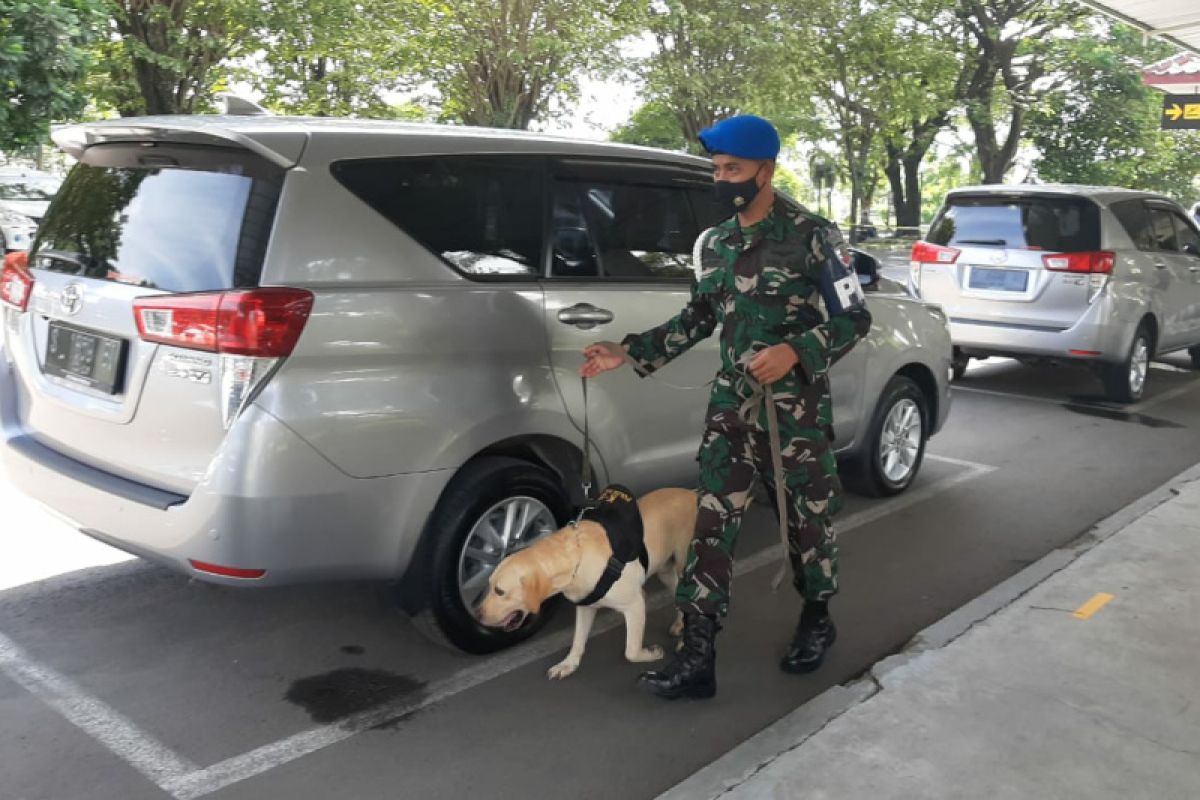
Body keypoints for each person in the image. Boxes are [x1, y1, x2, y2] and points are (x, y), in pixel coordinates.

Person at [580, 115, 872, 700]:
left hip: (795, 413)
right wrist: (629, 352)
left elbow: (854, 317)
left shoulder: (812, 236)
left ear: (766, 170)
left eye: (732, 169)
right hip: (732, 409)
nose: (722, 179)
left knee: (806, 522)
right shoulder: (715, 244)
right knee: (711, 525)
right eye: (716, 169)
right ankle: (698, 657)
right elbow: (699, 318)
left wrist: (797, 349)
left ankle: (817, 617)